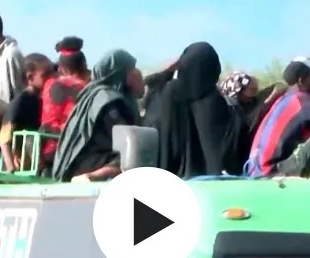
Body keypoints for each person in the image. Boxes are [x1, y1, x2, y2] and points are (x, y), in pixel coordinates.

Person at [142, 42, 242, 177]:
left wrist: (167, 72)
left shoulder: (165, 94)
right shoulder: (220, 104)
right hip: (212, 185)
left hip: (168, 181)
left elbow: (146, 96)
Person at [51, 49, 145, 182]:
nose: (137, 73)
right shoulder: (109, 100)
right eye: (132, 69)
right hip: (85, 165)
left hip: (82, 162)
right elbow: (130, 140)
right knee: (135, 157)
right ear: (120, 73)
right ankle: (95, 176)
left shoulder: (94, 94)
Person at [219, 72, 288, 172]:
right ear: (239, 91)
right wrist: (265, 105)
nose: (255, 91)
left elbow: (280, 86)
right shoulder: (231, 111)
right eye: (251, 89)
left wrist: (267, 101)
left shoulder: (252, 101)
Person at [40, 36, 90, 172]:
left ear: (60, 67)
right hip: (73, 152)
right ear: (84, 65)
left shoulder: (49, 84)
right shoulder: (87, 89)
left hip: (48, 149)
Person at [0, 53, 55, 172]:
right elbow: (4, 137)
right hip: (23, 160)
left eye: (53, 73)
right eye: (46, 75)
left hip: (39, 154)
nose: (51, 78)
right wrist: (10, 167)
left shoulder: (46, 100)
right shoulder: (21, 102)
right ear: (30, 77)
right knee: (31, 137)